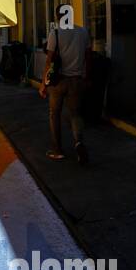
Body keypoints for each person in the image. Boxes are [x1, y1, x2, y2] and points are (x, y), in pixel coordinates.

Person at [42, 11, 91, 164]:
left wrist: (44, 83)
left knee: (54, 113)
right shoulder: (82, 32)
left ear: (57, 17)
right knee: (75, 114)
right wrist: (87, 77)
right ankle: (78, 142)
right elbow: (88, 57)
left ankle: (57, 150)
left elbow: (49, 60)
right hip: (76, 80)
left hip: (58, 81)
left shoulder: (55, 33)